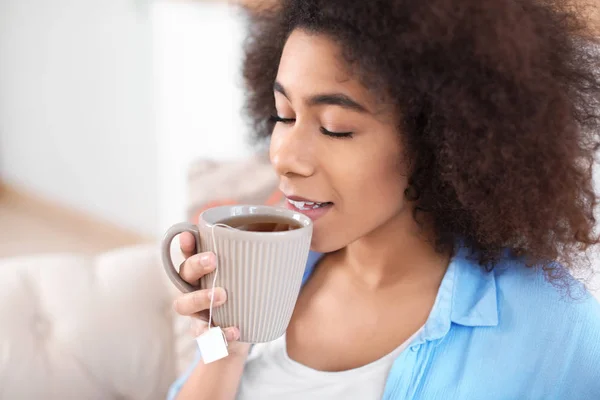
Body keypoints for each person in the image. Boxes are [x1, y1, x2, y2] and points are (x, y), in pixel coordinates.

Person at [166, 0, 600, 398]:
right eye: (285, 115)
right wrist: (224, 344)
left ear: (439, 139)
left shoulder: (557, 331)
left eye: (336, 127)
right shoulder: (267, 271)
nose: (283, 158)